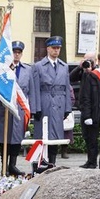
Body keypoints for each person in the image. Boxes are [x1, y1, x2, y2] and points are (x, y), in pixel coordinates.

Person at [0, 40, 38, 177]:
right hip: (5, 108)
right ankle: (4, 166)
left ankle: (13, 165)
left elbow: (31, 91)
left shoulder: (28, 70)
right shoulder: (2, 68)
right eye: (14, 52)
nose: (16, 55)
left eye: (19, 52)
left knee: (17, 138)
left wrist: (33, 110)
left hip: (20, 109)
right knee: (4, 137)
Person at [32, 35, 72, 167]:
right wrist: (35, 108)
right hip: (44, 102)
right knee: (42, 134)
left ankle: (53, 163)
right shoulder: (38, 66)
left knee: (56, 135)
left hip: (59, 103)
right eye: (54, 48)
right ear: (48, 49)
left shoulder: (64, 66)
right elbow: (35, 88)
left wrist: (67, 108)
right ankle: (38, 163)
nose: (56, 51)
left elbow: (66, 87)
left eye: (58, 48)